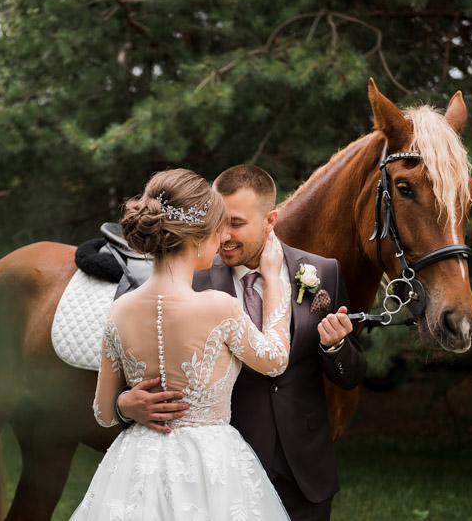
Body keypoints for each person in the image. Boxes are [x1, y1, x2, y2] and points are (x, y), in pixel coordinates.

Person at [118, 165, 366, 521]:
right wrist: (124, 404)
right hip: (222, 478)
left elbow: (351, 374)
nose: (222, 236)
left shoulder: (322, 272)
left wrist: (336, 347)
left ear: (270, 220)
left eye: (235, 223)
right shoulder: (190, 279)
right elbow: (144, 367)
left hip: (306, 473)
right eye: (217, 222)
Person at [71, 168, 292, 520]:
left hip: (135, 465)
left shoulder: (119, 310)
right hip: (212, 465)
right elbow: (276, 360)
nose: (223, 239)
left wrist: (126, 405)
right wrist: (273, 279)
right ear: (199, 239)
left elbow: (101, 412)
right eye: (218, 230)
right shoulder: (220, 307)